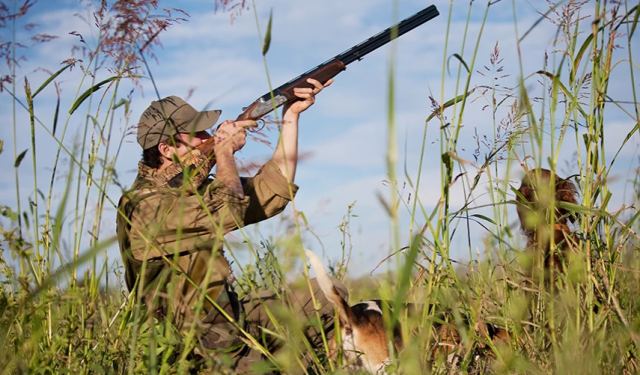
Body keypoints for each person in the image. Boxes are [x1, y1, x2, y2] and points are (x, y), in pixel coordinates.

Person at [116, 78, 344, 371]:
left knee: (329, 295)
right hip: (196, 346)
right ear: (167, 149)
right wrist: (223, 153)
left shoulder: (192, 192)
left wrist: (290, 117)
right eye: (196, 133)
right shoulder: (145, 206)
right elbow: (229, 210)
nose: (206, 136)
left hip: (228, 317)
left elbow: (274, 190)